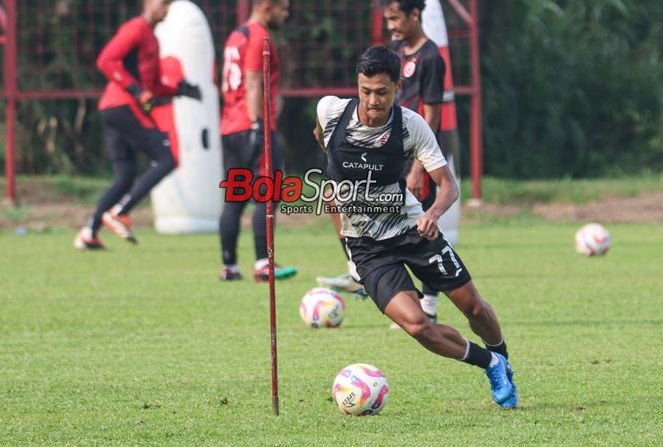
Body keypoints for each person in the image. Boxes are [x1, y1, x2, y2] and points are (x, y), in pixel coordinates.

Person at [313, 46, 516, 408]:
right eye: (365, 91)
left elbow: (448, 184)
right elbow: (321, 136)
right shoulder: (330, 110)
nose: (373, 101)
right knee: (418, 326)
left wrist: (433, 214)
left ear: (397, 87)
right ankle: (491, 364)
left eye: (382, 92)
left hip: (412, 230)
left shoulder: (410, 124)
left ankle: (504, 357)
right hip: (367, 248)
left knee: (473, 309)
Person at [319, 0, 449, 327]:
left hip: (414, 149)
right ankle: (361, 266)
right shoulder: (394, 52)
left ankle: (429, 302)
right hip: (381, 146)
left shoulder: (431, 57)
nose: (391, 26)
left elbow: (431, 112)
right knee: (335, 193)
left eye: (395, 19)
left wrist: (418, 166)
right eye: (387, 20)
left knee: (420, 226)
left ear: (415, 15)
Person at [74, 0, 202, 250]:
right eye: (163, 4)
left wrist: (179, 90)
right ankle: (120, 212)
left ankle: (89, 232)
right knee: (166, 159)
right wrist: (134, 90)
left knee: (124, 175)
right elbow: (106, 61)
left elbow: (152, 86)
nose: (166, 9)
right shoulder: (136, 28)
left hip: (112, 108)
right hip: (123, 106)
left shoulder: (152, 39)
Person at [217, 0, 297, 282]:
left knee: (235, 196)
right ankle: (264, 262)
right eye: (283, 8)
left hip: (229, 125)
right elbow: (252, 82)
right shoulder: (258, 36)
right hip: (252, 124)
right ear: (266, 6)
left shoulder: (236, 35)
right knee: (270, 190)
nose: (285, 14)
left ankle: (229, 266)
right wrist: (255, 126)